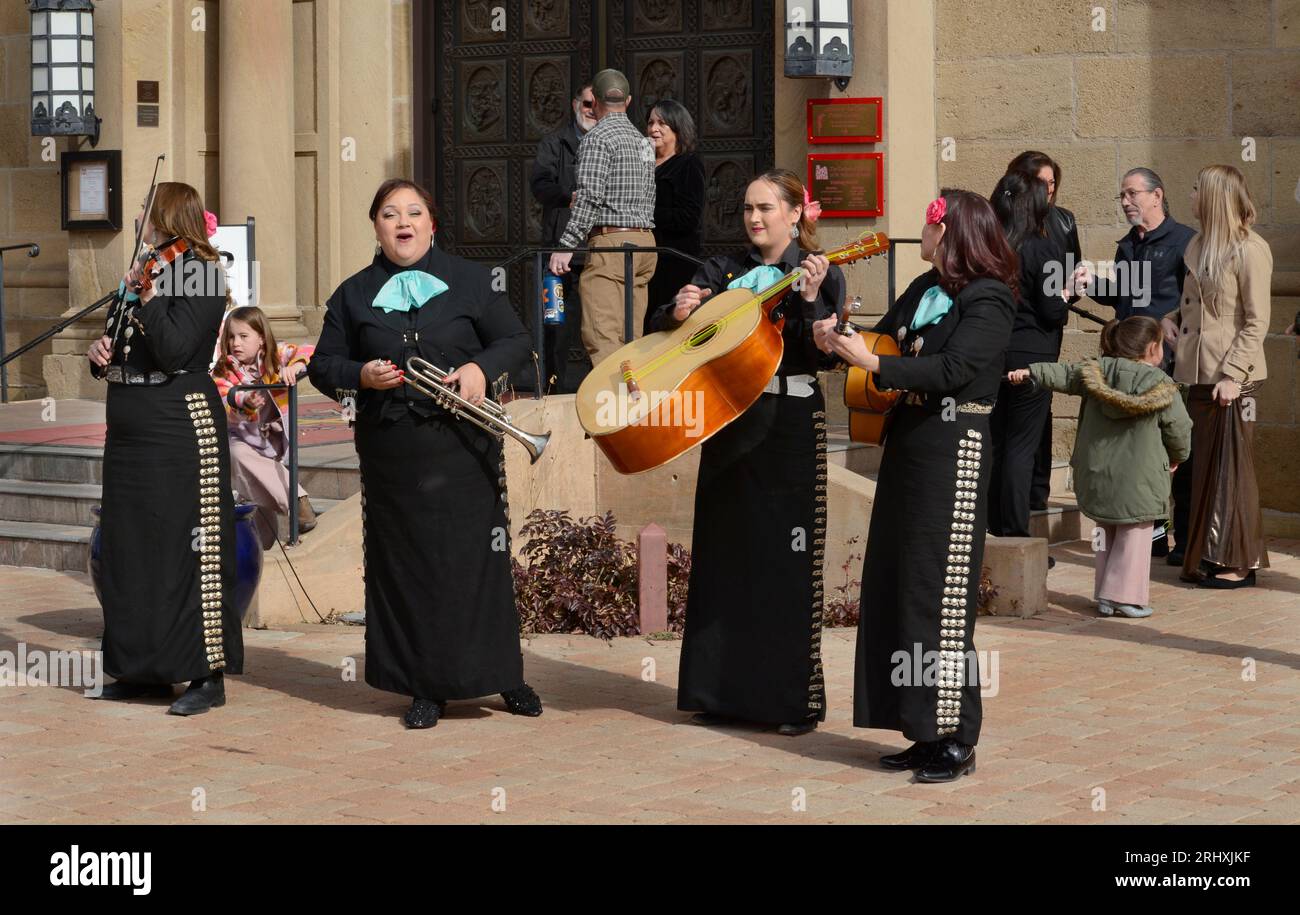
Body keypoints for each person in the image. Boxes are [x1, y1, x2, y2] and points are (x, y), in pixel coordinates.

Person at [308, 178, 542, 729]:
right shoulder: (353, 293)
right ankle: (425, 686)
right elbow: (323, 365)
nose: (402, 222)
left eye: (414, 212)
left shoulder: (470, 280)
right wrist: (361, 375)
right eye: (390, 214)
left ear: (432, 224)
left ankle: (504, 676)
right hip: (394, 453)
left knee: (475, 565)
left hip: (463, 447)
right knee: (408, 569)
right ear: (376, 227)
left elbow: (516, 340)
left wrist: (482, 368)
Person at [815, 190, 1017, 782]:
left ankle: (958, 736)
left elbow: (954, 370)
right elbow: (882, 343)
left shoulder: (989, 299)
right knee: (900, 585)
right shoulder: (925, 289)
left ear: (950, 232)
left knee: (941, 596)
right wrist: (837, 338)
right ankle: (921, 729)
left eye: (928, 228)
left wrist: (876, 365)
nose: (920, 236)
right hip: (910, 446)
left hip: (955, 450)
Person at [650, 168, 842, 737]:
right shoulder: (722, 269)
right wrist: (677, 310)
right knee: (725, 556)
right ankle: (721, 693)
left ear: (794, 214)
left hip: (787, 425)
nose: (755, 218)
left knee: (783, 564)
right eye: (748, 209)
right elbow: (669, 330)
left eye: (766, 208)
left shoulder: (821, 274)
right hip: (730, 418)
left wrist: (807, 304)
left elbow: (821, 356)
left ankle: (788, 702)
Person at [86, 182, 242, 716]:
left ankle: (205, 674)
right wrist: (97, 350)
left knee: (186, 548)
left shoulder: (199, 270)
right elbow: (121, 344)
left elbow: (176, 352)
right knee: (132, 549)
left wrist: (148, 297)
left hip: (177, 425)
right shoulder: (144, 272)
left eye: (146, 211)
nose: (138, 218)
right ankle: (143, 669)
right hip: (130, 428)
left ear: (170, 217)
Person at [1009, 317, 1192, 618]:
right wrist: (1178, 455)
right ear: (1152, 349)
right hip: (1140, 479)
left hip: (1098, 473)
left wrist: (1031, 371)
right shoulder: (1162, 386)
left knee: (1105, 532)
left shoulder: (1095, 373)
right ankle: (1125, 597)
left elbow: (1063, 374)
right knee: (1135, 534)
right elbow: (1179, 428)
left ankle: (1105, 596)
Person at [1162, 164, 1271, 589]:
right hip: (1199, 373)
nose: (1190, 195)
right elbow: (1199, 307)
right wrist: (1171, 320)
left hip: (1232, 376)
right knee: (1205, 467)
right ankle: (1211, 552)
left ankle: (1239, 562)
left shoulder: (1250, 249)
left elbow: (1256, 321)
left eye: (1195, 189)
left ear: (1213, 197)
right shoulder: (1200, 244)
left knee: (1232, 470)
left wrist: (1232, 375)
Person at [1080, 167, 1198, 561]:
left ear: (1156, 196)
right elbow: (1123, 296)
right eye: (1123, 196)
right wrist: (1087, 284)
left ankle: (1183, 538)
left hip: (1166, 365)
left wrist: (1172, 321)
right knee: (1139, 453)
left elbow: (1194, 298)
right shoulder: (1127, 245)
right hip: (1128, 366)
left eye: (1132, 194)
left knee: (1173, 451)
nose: (1126, 202)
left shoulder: (1185, 242)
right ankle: (1153, 536)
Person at [548, 68, 657, 366]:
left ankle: (613, 405)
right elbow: (650, 195)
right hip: (645, 242)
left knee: (603, 337)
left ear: (594, 101)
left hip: (612, 245)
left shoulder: (597, 137)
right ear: (629, 100)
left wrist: (567, 245)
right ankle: (634, 406)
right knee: (630, 338)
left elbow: (589, 196)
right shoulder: (644, 142)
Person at [987, 170, 1070, 539]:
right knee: (1021, 448)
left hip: (994, 351)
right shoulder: (1044, 246)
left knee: (998, 444)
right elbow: (1054, 311)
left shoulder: (990, 243)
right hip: (1033, 353)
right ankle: (1016, 535)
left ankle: (991, 529)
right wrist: (1066, 295)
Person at [1006, 151, 1082, 513]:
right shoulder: (1009, 226)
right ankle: (1018, 517)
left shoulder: (1063, 222)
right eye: (1041, 183)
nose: (1048, 190)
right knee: (1019, 436)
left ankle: (1035, 493)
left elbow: (1072, 271)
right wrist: (1060, 295)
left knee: (1038, 415)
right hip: (1029, 334)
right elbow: (1054, 300)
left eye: (1053, 183)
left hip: (1038, 335)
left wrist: (1067, 290)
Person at [211, 305, 316, 549]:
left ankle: (263, 547)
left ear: (260, 338)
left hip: (269, 440)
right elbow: (226, 396)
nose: (235, 343)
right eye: (231, 337)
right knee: (237, 456)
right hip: (239, 437)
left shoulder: (274, 355)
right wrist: (245, 402)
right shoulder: (224, 367)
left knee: (256, 493)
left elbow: (309, 350)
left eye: (243, 336)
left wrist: (295, 367)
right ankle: (297, 502)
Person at [530, 82, 596, 392]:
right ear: (574, 105)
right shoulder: (554, 143)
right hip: (559, 255)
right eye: (586, 103)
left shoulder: (611, 143)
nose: (591, 110)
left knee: (602, 328)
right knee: (555, 326)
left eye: (597, 105)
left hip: (600, 253)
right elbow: (540, 185)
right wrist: (570, 197)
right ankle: (553, 391)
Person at [643, 99, 705, 336]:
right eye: (650, 122)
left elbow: (689, 216)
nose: (653, 129)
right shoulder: (642, 163)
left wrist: (646, 213)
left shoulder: (688, 165)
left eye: (662, 123)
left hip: (674, 262)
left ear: (678, 128)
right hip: (643, 260)